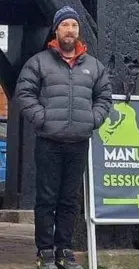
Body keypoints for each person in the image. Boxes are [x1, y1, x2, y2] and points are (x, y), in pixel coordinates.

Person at [15, 6, 112, 269]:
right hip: (49, 141)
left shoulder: (94, 66)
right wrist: (42, 118)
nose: (70, 30)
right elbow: (25, 94)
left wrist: (93, 119)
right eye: (65, 25)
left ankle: (64, 250)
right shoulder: (39, 62)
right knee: (46, 199)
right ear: (56, 30)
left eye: (74, 25)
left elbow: (104, 97)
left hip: (78, 141)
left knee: (69, 200)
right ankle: (45, 251)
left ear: (79, 31)